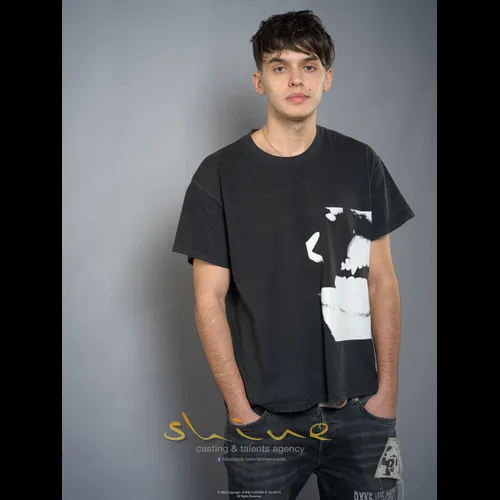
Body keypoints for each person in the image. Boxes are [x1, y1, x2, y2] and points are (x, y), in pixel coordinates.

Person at [172, 9, 414, 500]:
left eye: (309, 65)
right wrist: (240, 409)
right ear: (259, 81)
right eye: (279, 66)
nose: (296, 79)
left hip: (360, 412)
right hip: (264, 421)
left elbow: (382, 282)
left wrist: (387, 392)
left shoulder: (360, 162)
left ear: (328, 77)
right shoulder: (218, 174)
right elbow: (207, 300)